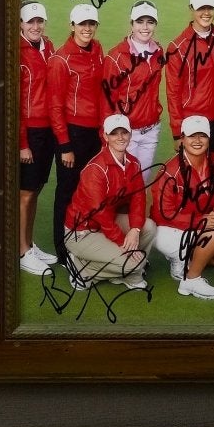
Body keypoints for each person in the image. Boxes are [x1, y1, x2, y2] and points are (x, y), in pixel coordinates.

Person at [145, 114, 214, 300]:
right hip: (167, 230)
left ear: (209, 138)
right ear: (182, 139)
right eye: (191, 136)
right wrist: (201, 221)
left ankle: (187, 259)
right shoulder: (170, 170)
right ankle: (190, 279)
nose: (197, 141)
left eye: (202, 136)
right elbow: (163, 214)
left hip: (197, 227)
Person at [61, 113, 153, 293]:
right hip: (82, 231)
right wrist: (122, 244)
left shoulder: (133, 163)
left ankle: (125, 271)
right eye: (114, 133)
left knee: (148, 227)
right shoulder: (95, 169)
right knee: (136, 262)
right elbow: (100, 214)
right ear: (105, 136)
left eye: (124, 132)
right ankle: (81, 268)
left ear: (130, 134)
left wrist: (134, 230)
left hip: (105, 225)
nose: (120, 137)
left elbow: (138, 198)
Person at [46, 3, 106, 266]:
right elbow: (55, 106)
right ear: (72, 26)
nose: (87, 29)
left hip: (94, 132)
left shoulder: (98, 50)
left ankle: (87, 239)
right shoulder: (60, 60)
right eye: (82, 24)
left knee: (91, 189)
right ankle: (63, 248)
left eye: (91, 24)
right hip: (71, 134)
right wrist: (64, 145)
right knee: (67, 190)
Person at [164, 0, 214, 159]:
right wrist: (177, 132)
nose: (206, 12)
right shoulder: (178, 47)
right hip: (192, 122)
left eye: (210, 7)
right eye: (201, 8)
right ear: (191, 9)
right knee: (193, 178)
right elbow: (173, 92)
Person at [16, 1, 58, 276]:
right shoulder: (16, 53)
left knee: (38, 188)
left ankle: (29, 244)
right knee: (26, 193)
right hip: (29, 132)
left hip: (48, 130)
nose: (35, 26)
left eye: (39, 21)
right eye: (30, 22)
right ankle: (21, 251)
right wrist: (22, 144)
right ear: (20, 24)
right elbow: (15, 102)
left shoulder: (49, 47)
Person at [103, 0, 165, 179]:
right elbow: (107, 101)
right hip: (124, 134)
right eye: (140, 22)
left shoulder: (158, 51)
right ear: (131, 24)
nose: (145, 27)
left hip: (151, 131)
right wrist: (106, 137)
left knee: (141, 186)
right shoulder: (115, 57)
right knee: (121, 191)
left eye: (150, 22)